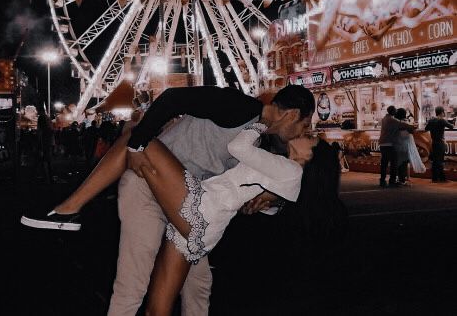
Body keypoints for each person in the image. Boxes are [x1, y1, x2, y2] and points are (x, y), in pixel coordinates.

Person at [21, 85, 321, 315]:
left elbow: (246, 186)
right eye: (303, 126)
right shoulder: (238, 106)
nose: (302, 133)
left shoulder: (260, 141)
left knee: (199, 284)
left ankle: (70, 209)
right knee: (133, 284)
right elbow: (172, 98)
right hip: (148, 186)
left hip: (186, 204)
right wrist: (137, 146)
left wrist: (270, 199)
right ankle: (69, 210)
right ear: (291, 115)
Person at [378, 105, 414, 188]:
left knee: (384, 163)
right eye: (395, 110)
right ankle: (392, 181)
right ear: (393, 111)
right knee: (394, 163)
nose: (396, 112)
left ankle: (382, 180)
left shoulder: (384, 119)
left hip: (382, 143)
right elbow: (404, 125)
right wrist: (413, 126)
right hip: (389, 144)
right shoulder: (392, 120)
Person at [425, 106, 454, 182]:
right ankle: (442, 178)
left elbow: (426, 129)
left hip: (434, 142)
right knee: (440, 160)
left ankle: (435, 178)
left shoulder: (431, 120)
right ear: (442, 112)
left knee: (435, 160)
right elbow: (451, 127)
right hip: (440, 142)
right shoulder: (442, 120)